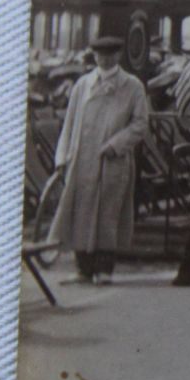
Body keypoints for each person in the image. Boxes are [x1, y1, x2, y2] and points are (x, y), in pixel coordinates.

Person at [49, 35, 151, 284]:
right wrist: (61, 157)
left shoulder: (132, 85)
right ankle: (83, 268)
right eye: (100, 55)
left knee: (108, 213)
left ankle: (104, 269)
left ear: (118, 56)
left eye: (110, 55)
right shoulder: (82, 85)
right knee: (81, 210)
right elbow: (69, 123)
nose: (105, 59)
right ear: (94, 56)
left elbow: (140, 124)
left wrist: (116, 144)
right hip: (82, 158)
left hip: (112, 160)